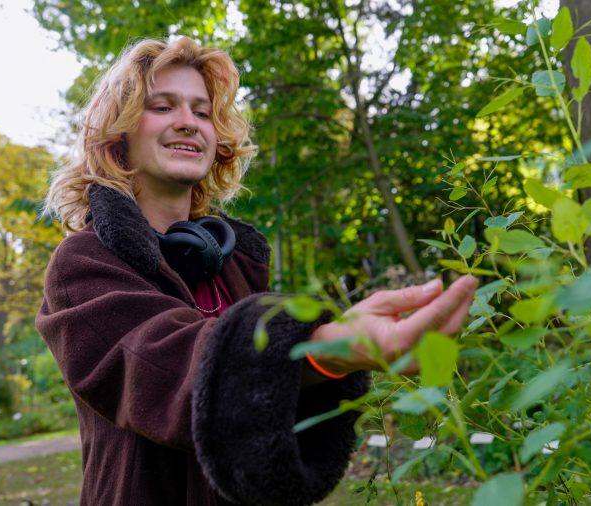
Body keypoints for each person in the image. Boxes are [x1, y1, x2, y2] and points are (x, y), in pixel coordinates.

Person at [36, 36, 477, 506]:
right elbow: (164, 366)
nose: (188, 122)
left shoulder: (235, 263)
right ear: (118, 139)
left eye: (202, 112)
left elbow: (266, 414)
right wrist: (326, 344)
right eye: (162, 107)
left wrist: (328, 360)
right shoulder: (83, 265)